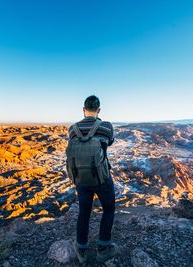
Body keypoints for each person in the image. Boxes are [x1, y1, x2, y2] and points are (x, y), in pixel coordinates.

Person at [67, 95, 118, 263]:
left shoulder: (72, 129)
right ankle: (103, 248)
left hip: (81, 179)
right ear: (99, 110)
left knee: (84, 212)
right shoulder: (106, 126)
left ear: (83, 109)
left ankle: (81, 249)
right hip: (102, 177)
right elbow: (109, 142)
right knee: (109, 209)